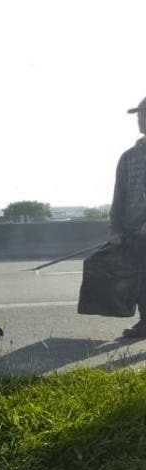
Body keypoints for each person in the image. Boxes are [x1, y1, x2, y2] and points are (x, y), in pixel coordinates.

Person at [111, 96, 146, 338]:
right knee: (139, 279)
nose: (140, 119)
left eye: (144, 114)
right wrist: (115, 229)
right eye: (139, 114)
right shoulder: (128, 157)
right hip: (133, 233)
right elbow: (119, 196)